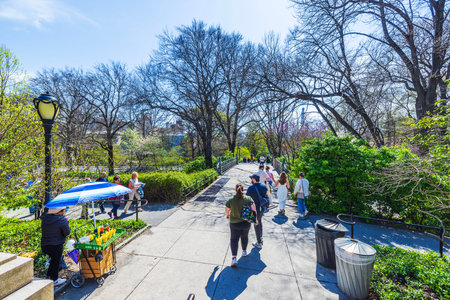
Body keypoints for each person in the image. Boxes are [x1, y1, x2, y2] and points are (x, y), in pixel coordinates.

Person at [226, 184, 258, 267]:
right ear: (243, 190)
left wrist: (228, 215)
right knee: (245, 237)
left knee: (234, 239)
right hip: (246, 223)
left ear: (235, 190)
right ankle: (244, 252)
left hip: (234, 223)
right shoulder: (248, 199)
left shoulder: (231, 200)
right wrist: (256, 220)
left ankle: (234, 258)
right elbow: (254, 209)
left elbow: (227, 209)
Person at [41, 207, 70, 287]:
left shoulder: (45, 218)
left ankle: (48, 276)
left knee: (53, 261)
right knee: (55, 262)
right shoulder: (62, 220)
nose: (65, 211)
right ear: (60, 211)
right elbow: (67, 232)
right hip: (56, 245)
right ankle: (54, 280)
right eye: (64, 210)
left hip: (45, 245)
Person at [246, 174, 268, 249]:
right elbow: (267, 195)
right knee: (259, 222)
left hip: (254, 209)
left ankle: (259, 242)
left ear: (254, 179)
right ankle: (260, 238)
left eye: (251, 179)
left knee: (256, 224)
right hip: (262, 208)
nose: (251, 180)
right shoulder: (264, 186)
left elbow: (246, 199)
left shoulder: (251, 188)